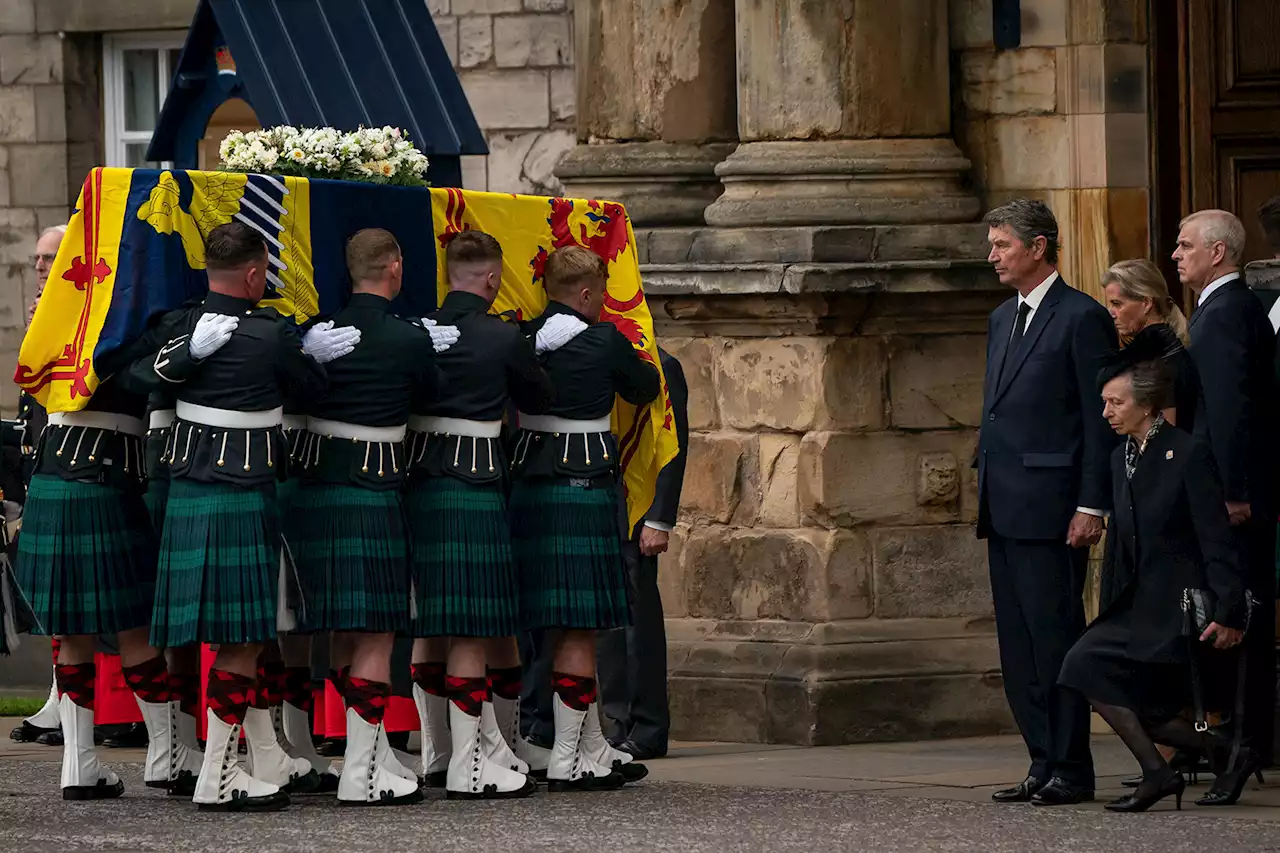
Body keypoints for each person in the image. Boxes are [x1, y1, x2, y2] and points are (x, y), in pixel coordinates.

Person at [144, 221, 360, 812]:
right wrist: (308, 355)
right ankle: (218, 774)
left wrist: (187, 353)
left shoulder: (183, 326)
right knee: (241, 639)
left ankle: (241, 758)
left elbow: (144, 381)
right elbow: (311, 393)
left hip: (189, 490)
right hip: (241, 493)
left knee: (226, 637)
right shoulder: (270, 335)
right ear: (254, 273)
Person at [12, 279, 242, 800]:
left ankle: (79, 764)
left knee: (72, 633)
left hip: (55, 479)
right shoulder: (118, 328)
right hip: (102, 476)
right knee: (134, 626)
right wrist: (186, 350)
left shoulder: (58, 323)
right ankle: (166, 758)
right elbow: (141, 379)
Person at [288, 228, 452, 807]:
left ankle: (372, 749)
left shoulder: (316, 335)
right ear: (396, 267)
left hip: (316, 490)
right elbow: (433, 396)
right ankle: (361, 769)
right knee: (378, 627)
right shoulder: (408, 338)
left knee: (339, 624)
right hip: (375, 488)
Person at [1059, 346, 1252, 810]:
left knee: (1135, 698)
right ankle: (1211, 757)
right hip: (1136, 601)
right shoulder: (1119, 457)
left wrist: (1228, 611)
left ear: (1146, 404)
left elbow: (1215, 538)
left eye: (1116, 402)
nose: (1106, 411)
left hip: (1177, 605)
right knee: (1086, 669)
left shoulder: (1187, 453)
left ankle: (1172, 769)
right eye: (1104, 402)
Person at [406, 230, 562, 799]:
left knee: (432, 619)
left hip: (417, 482)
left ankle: (437, 750)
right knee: (472, 621)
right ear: (493, 278)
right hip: (473, 483)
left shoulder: (417, 332)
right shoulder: (501, 336)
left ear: (451, 274)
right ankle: (471, 762)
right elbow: (539, 399)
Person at [977, 199, 1118, 806]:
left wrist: (1093, 504)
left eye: (1002, 244)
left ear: (1038, 248)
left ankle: (1071, 766)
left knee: (1055, 637)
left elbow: (1098, 421)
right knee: (1018, 644)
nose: (993, 256)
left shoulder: (1082, 316)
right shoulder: (1001, 319)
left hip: (1054, 508)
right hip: (1003, 504)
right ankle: (1039, 759)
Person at [509, 245, 660, 792]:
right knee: (579, 622)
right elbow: (644, 389)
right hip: (583, 485)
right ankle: (569, 756)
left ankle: (592, 743)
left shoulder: (521, 337)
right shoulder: (603, 339)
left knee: (542, 616)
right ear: (590, 293)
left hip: (527, 484)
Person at [1174, 209, 1277, 768]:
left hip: (1233, 497)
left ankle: (1242, 745)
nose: (1175, 254)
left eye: (1185, 244)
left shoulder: (1224, 313)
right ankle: (1236, 739)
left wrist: (1233, 490)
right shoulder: (1224, 309)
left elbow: (1231, 411)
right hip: (1231, 490)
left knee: (1239, 616)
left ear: (1218, 253)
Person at [598, 346, 688, 760]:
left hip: (639, 509)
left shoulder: (661, 364)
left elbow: (671, 445)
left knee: (639, 625)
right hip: (602, 506)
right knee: (607, 626)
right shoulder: (596, 353)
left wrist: (660, 518)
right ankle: (616, 722)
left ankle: (648, 725)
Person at [1100, 259, 1198, 432]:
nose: (1111, 313)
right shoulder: (1160, 348)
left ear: (1146, 303)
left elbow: (1168, 432)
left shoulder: (1159, 355)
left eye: (1117, 304)